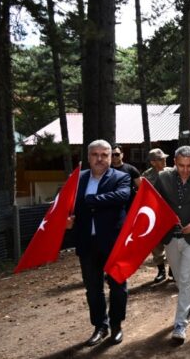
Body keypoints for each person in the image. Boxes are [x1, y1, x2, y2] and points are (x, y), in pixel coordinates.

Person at [66, 139, 130, 346]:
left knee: (118, 287)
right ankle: (100, 326)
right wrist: (66, 219)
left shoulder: (121, 177)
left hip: (113, 243)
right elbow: (65, 206)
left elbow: (121, 196)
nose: (100, 159)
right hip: (87, 243)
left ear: (111, 157)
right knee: (93, 289)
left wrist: (90, 199)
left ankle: (116, 325)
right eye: (95, 155)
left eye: (105, 155)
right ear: (88, 157)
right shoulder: (77, 180)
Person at [153, 146, 190, 344]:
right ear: (174, 162)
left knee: (186, 278)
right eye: (181, 166)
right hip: (170, 237)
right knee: (179, 277)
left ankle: (180, 323)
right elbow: (154, 203)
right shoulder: (163, 178)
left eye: (189, 166)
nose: (185, 170)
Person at [142, 148, 171, 283]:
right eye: (161, 159)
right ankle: (161, 270)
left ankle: (173, 269)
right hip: (155, 215)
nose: (164, 160)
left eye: (164, 157)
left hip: (171, 213)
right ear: (153, 162)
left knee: (173, 242)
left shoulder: (172, 172)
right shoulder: (146, 176)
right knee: (156, 244)